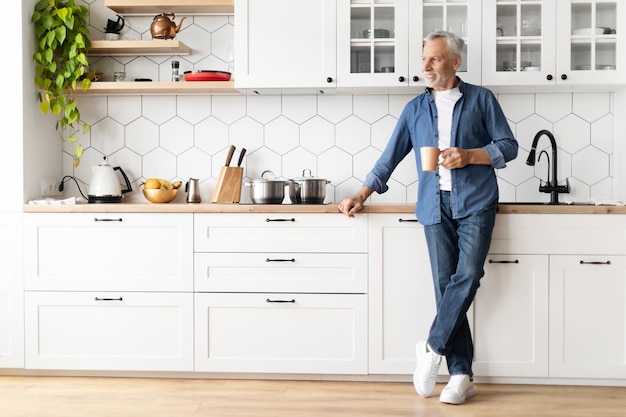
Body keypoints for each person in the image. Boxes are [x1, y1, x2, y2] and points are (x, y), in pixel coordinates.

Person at [338, 31, 518, 405]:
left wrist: (470, 155)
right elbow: (390, 157)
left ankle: (433, 349)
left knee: (468, 277)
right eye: (424, 59)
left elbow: (508, 146)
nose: (425, 66)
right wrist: (361, 193)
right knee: (445, 288)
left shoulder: (482, 99)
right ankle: (460, 375)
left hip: (476, 202)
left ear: (455, 62)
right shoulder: (414, 110)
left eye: (434, 59)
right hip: (433, 206)